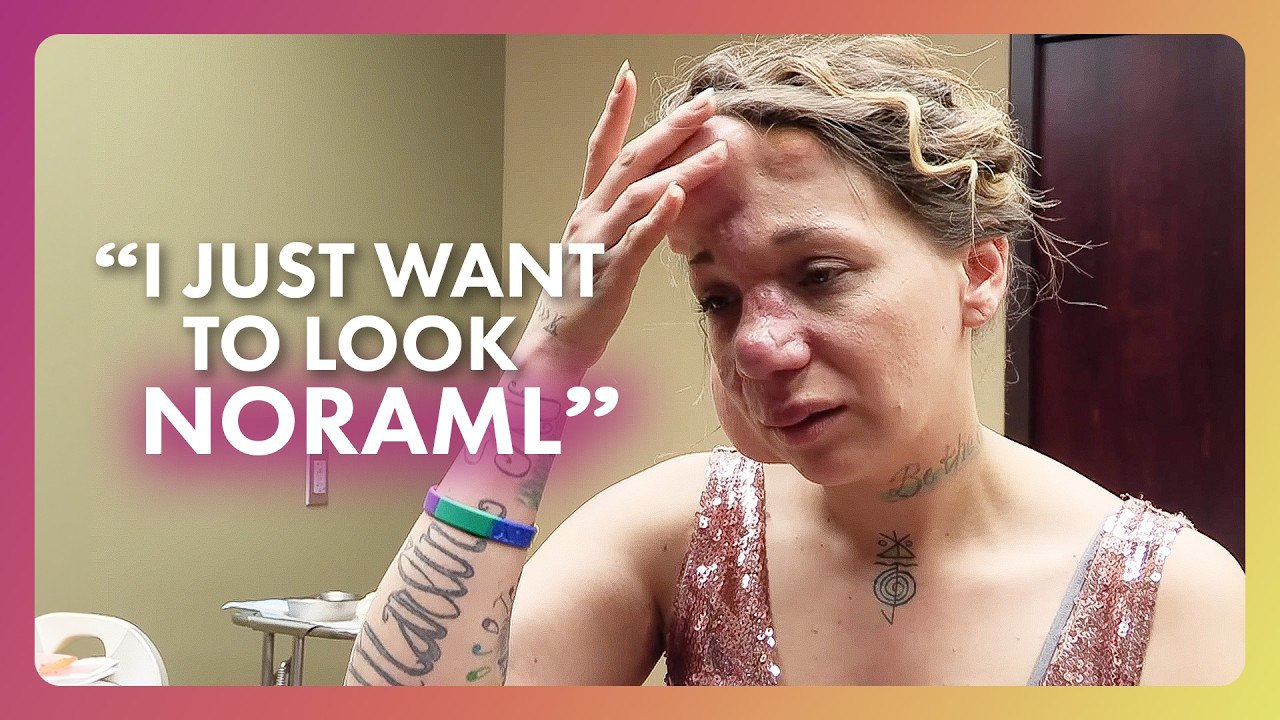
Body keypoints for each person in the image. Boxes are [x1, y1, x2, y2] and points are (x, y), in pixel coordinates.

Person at [344, 35, 1244, 687]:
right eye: (718, 298)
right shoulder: (676, 533)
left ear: (977, 271)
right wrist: (546, 362)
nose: (756, 346)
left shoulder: (1176, 599)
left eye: (820, 275)